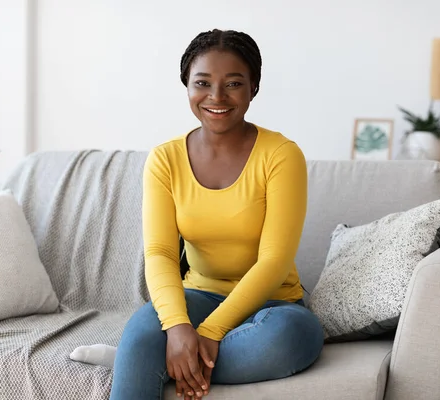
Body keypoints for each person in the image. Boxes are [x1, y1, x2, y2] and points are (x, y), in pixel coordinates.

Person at [109, 28, 324, 400]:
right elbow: (159, 253)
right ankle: (149, 354)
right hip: (197, 296)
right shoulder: (165, 159)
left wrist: (209, 333)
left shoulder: (281, 155)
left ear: (253, 88)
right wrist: (178, 327)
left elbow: (275, 260)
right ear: (187, 87)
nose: (216, 97)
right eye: (202, 83)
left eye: (234, 84)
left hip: (273, 306)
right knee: (142, 330)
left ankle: (144, 363)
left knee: (289, 339)